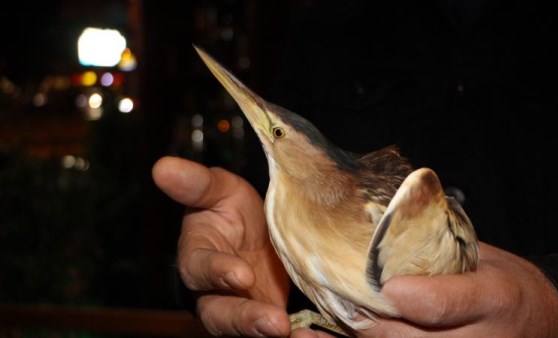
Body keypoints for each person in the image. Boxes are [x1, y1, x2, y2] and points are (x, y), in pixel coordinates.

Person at [154, 1, 558, 336]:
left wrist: (544, 305)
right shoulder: (325, 16)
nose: (260, 122)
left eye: (273, 131)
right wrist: (232, 251)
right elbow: (284, 175)